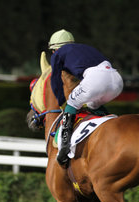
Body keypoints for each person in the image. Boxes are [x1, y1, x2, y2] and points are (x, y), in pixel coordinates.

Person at [48, 29, 124, 166]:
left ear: (55, 49)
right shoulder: (83, 48)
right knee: (91, 105)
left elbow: (55, 80)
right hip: (116, 80)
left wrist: (62, 103)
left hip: (96, 79)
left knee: (72, 101)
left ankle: (64, 146)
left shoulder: (57, 53)